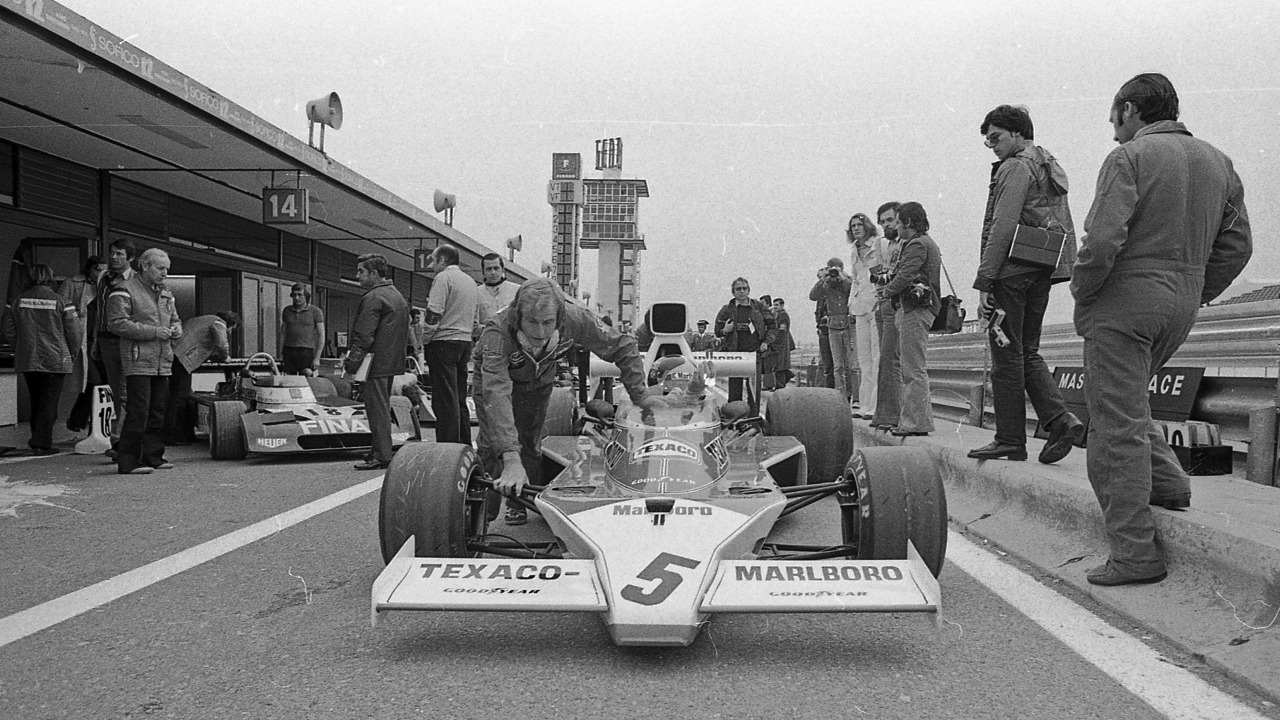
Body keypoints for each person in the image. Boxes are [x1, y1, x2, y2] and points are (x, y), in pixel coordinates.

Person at [1073, 73, 1251, 586]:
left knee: (1112, 427)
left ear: (1130, 110)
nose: (1112, 130)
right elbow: (1238, 246)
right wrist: (1194, 289)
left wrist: (1084, 291)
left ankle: (1134, 554)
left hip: (1125, 301)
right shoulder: (1219, 162)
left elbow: (1102, 240)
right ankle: (1170, 486)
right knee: (1127, 403)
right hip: (1181, 304)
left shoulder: (1128, 158)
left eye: (1114, 118)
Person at [478, 278, 649, 525]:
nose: (539, 332)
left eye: (547, 322)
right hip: (494, 380)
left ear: (559, 319)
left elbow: (623, 345)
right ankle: (482, 514)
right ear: (518, 317)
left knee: (530, 440)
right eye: (532, 322)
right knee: (490, 445)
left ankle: (521, 501)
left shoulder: (575, 318)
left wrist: (640, 396)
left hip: (539, 380)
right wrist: (510, 458)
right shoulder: (497, 332)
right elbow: (496, 396)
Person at [968, 104, 1084, 464]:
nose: (992, 146)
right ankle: (1059, 419)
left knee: (1006, 356)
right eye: (987, 141)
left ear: (1018, 133)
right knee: (1026, 351)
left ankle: (1010, 439)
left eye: (997, 137)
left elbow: (1002, 225)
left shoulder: (1015, 167)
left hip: (1011, 274)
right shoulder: (1045, 162)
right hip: (1041, 270)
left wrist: (986, 280)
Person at [107, 248, 181, 474]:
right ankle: (128, 461)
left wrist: (177, 328)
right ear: (145, 266)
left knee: (157, 411)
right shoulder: (123, 290)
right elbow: (116, 323)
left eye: (167, 269)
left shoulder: (166, 293)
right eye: (160, 268)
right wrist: (154, 332)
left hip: (162, 361)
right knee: (138, 411)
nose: (165, 273)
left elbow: (175, 319)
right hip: (138, 360)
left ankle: (153, 456)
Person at [0, 264, 81, 455]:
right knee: (49, 401)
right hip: (55, 358)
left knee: (36, 399)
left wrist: (20, 346)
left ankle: (37, 439)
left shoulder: (17, 300)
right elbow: (74, 332)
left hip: (28, 357)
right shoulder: (62, 301)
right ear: (51, 278)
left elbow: (8, 329)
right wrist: (72, 353)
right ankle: (42, 443)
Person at [878, 202, 940, 437]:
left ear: (909, 223)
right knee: (912, 367)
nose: (895, 226)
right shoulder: (927, 242)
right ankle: (915, 419)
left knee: (912, 368)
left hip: (915, 308)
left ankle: (915, 422)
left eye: (898, 221)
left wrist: (887, 290)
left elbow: (906, 275)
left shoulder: (916, 244)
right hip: (920, 308)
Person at [344, 253, 410, 470]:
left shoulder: (373, 297)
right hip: (391, 361)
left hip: (375, 362)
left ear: (374, 273)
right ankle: (378, 448)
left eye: (361, 271)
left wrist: (352, 362)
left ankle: (381, 454)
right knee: (381, 404)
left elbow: (364, 335)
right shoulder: (397, 295)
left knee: (376, 407)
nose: (357, 276)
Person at [421, 243, 477, 445]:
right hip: (464, 342)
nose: (432, 266)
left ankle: (447, 446)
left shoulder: (443, 278)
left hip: (443, 342)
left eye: (433, 261)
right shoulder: (470, 282)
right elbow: (476, 319)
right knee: (459, 396)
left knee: (444, 399)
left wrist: (425, 337)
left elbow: (433, 312)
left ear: (442, 260)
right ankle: (464, 443)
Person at [165, 310, 238, 445]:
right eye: (231, 330)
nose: (230, 333)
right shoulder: (218, 323)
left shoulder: (202, 319)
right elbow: (222, 343)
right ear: (230, 324)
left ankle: (186, 434)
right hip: (182, 358)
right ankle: (172, 436)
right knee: (180, 398)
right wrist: (225, 357)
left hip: (174, 354)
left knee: (183, 396)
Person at [94, 238, 137, 457]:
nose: (113, 257)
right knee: (115, 391)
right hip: (104, 340)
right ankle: (120, 440)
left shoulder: (136, 281)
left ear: (130, 258)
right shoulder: (103, 277)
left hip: (125, 339)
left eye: (119, 254)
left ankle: (121, 441)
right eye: (112, 253)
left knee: (124, 392)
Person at [714, 277, 775, 413]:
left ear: (749, 290)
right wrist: (725, 330)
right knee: (735, 392)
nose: (741, 291)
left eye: (744, 288)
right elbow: (717, 331)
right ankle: (736, 419)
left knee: (754, 391)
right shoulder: (726, 309)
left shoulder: (759, 307)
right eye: (738, 289)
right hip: (735, 355)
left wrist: (766, 342)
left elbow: (772, 325)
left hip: (754, 353)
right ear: (733, 292)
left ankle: (753, 419)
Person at [868, 202, 903, 430]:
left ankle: (892, 415)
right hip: (883, 303)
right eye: (882, 222)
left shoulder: (907, 243)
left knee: (892, 360)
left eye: (890, 220)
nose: (886, 225)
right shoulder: (885, 245)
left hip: (896, 304)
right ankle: (884, 414)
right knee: (885, 360)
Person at [63, 255, 107, 433]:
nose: (100, 273)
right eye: (97, 269)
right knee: (94, 381)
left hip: (101, 340)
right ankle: (79, 419)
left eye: (104, 270)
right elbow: (62, 309)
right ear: (89, 269)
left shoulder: (107, 286)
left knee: (101, 382)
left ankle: (84, 421)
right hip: (82, 340)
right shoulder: (73, 284)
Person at [847, 213, 884, 420]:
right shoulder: (854, 250)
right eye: (853, 226)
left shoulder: (878, 244)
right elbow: (855, 279)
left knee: (877, 357)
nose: (856, 229)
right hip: (860, 306)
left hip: (876, 304)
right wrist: (851, 303)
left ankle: (875, 406)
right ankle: (864, 405)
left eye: (859, 225)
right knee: (864, 359)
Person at [808, 258, 854, 403]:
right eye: (830, 268)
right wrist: (823, 278)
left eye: (835, 268)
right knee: (832, 365)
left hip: (846, 325)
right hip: (829, 327)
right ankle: (835, 394)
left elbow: (852, 290)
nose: (833, 272)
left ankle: (851, 395)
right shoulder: (826, 284)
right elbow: (813, 296)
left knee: (849, 365)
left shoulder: (847, 281)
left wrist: (841, 277)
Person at [279, 282, 325, 375]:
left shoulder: (315, 311)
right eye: (294, 295)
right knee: (289, 379)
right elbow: (283, 332)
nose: (297, 298)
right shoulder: (287, 310)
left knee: (306, 377)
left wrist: (317, 358)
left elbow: (321, 335)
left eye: (300, 295)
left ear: (306, 296)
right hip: (289, 350)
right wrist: (280, 353)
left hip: (306, 351)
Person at [474, 252, 520, 336]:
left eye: (496, 268)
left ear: (503, 269)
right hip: (486, 342)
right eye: (488, 269)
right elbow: (473, 325)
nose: (493, 272)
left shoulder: (517, 290)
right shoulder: (476, 293)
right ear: (483, 272)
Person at [770, 298, 794, 387]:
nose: (774, 307)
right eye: (774, 305)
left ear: (782, 305)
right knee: (779, 366)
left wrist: (776, 342)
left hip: (781, 344)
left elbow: (782, 330)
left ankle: (780, 385)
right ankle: (787, 376)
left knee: (779, 366)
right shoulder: (777, 315)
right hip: (779, 344)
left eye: (776, 305)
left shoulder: (783, 316)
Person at [814, 296, 834, 389]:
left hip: (834, 329)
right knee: (824, 364)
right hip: (823, 331)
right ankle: (822, 389)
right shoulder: (820, 298)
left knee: (834, 365)